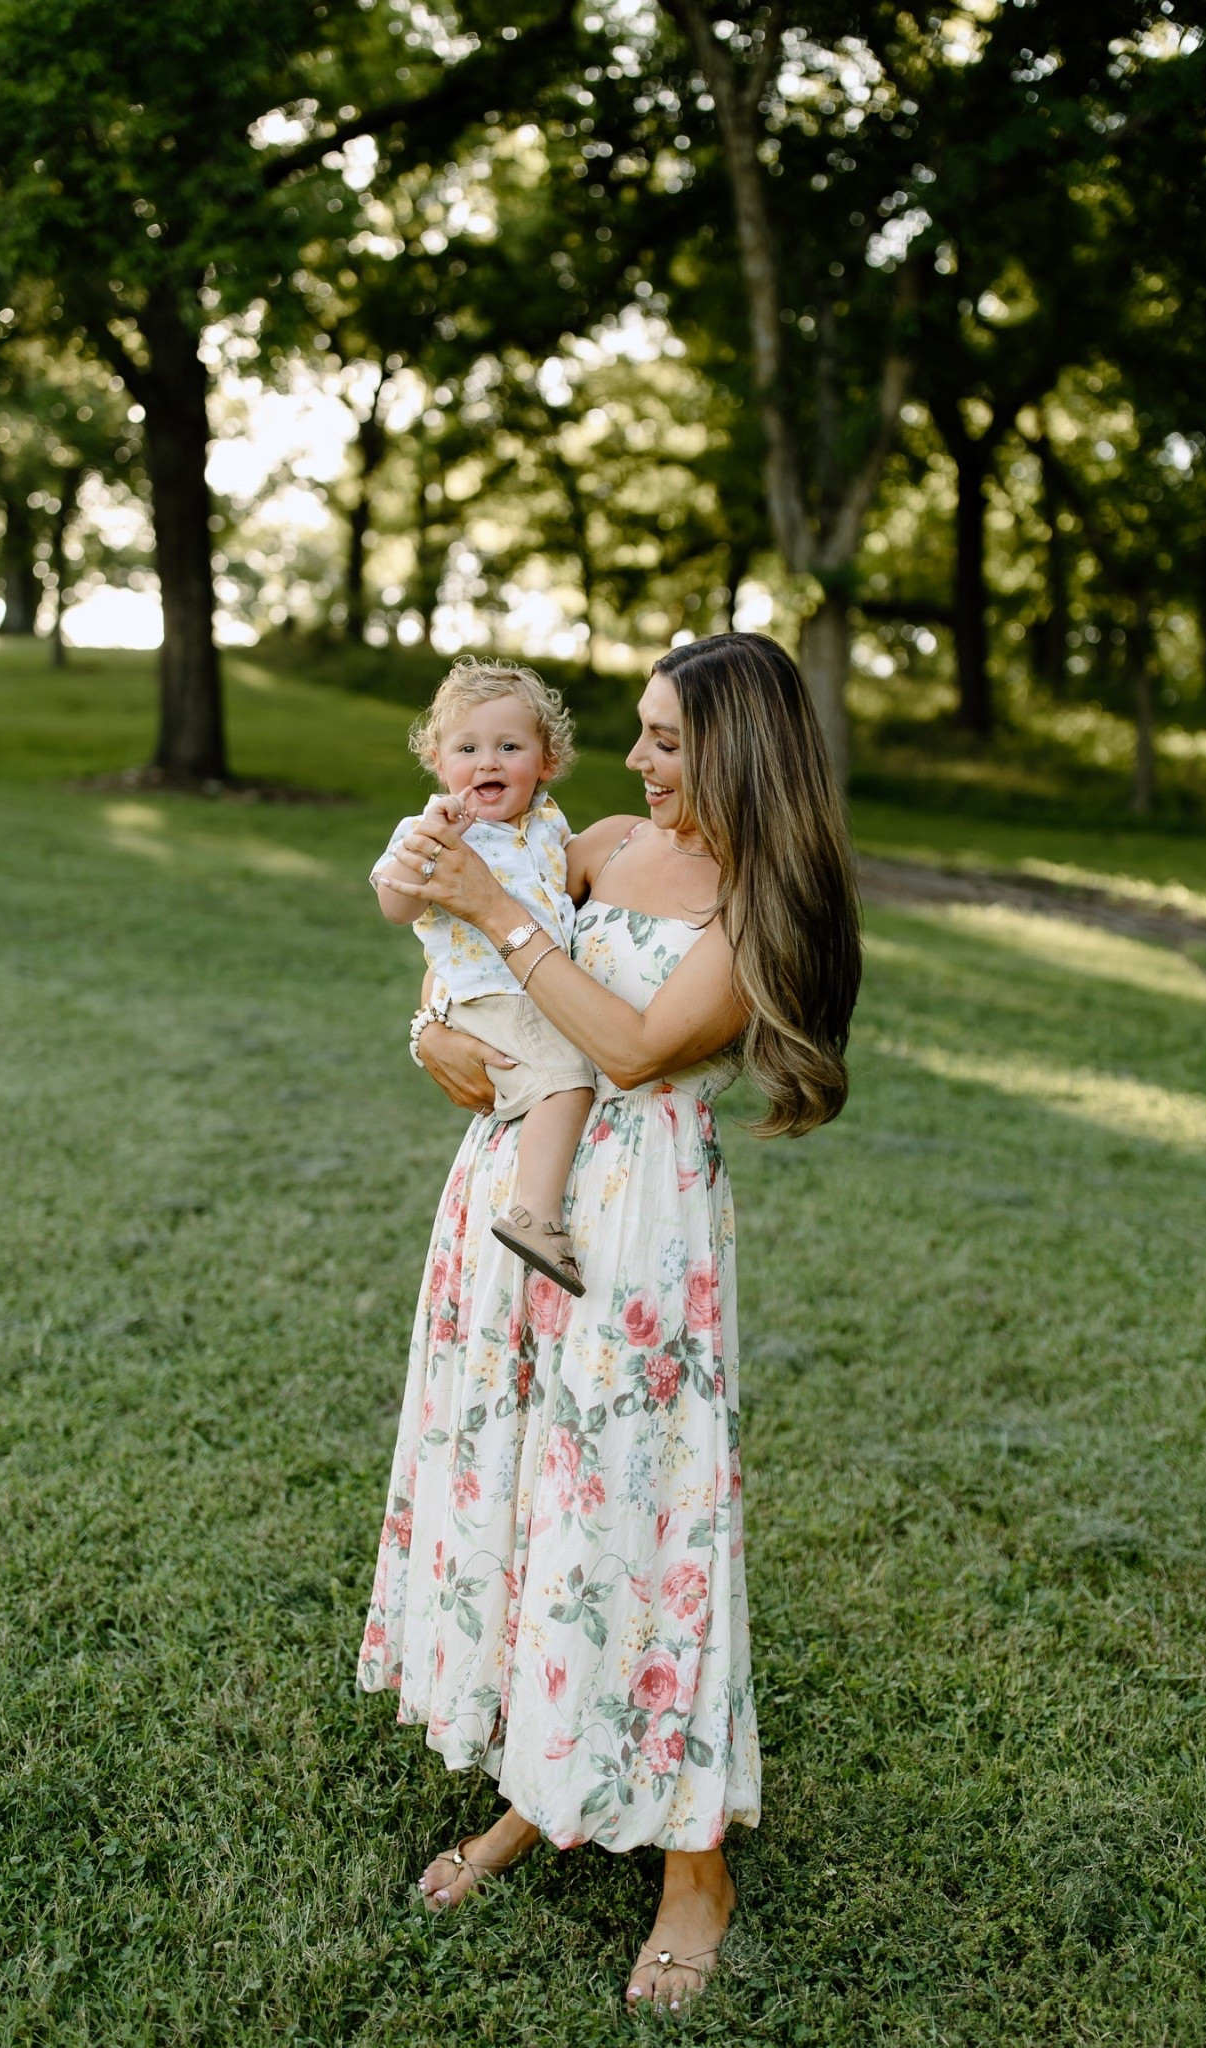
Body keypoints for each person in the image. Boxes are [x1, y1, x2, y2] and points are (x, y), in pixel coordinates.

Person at [358, 632, 862, 2012]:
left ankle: (697, 1868)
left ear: (739, 752)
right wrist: (430, 1028)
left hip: (639, 1227)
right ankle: (541, 1783)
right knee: (532, 1490)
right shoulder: (597, 846)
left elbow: (634, 1049)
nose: (635, 760)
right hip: (514, 1192)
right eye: (638, 730)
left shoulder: (760, 898)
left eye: (667, 740)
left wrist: (499, 915)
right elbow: (472, 960)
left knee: (641, 1505)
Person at [372, 657, 595, 1294]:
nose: (487, 762)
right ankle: (534, 1215)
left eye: (508, 747)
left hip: (537, 986)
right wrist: (426, 849)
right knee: (567, 1078)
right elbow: (394, 907)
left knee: (565, 1070)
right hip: (489, 993)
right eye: (467, 749)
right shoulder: (432, 830)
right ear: (439, 763)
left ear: (547, 761)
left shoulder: (550, 826)